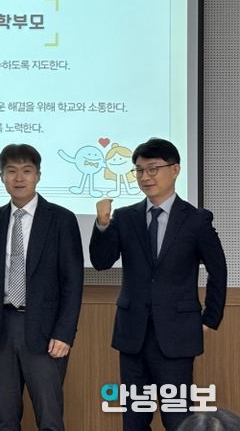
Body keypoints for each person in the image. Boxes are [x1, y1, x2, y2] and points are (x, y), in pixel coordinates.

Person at [90, 137, 227, 431]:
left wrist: (210, 318)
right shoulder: (125, 217)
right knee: (134, 419)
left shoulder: (196, 220)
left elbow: (218, 271)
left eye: (153, 169)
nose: (145, 177)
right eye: (139, 170)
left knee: (177, 419)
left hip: (177, 335)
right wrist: (102, 224)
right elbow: (101, 262)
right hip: (133, 334)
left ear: (175, 170)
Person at [0, 143, 84, 431]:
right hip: (2, 327)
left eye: (26, 171)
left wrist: (64, 333)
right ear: (2, 177)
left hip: (45, 330)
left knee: (49, 418)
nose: (19, 178)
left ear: (38, 175)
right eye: (11, 171)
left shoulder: (61, 219)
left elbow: (73, 281)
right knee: (3, 416)